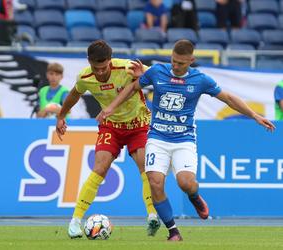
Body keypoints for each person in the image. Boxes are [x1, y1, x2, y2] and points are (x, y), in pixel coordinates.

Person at [97, 39, 276, 241]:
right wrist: (110, 107)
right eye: (173, 60)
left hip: (184, 139)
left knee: (186, 183)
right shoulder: (157, 72)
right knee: (155, 183)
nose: (175, 65)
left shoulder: (200, 80)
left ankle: (194, 197)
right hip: (157, 137)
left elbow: (228, 98)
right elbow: (132, 87)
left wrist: (254, 116)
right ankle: (173, 231)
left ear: (191, 60)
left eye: (181, 63)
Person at [56, 40, 160, 238]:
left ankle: (152, 216)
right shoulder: (85, 77)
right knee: (99, 168)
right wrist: (61, 115)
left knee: (144, 167)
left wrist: (144, 76)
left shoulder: (127, 67)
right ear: (89, 62)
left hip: (139, 125)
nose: (101, 72)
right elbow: (74, 94)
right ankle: (75, 221)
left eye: (104, 67)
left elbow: (159, 76)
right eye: (97, 68)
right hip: (111, 126)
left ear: (111, 61)